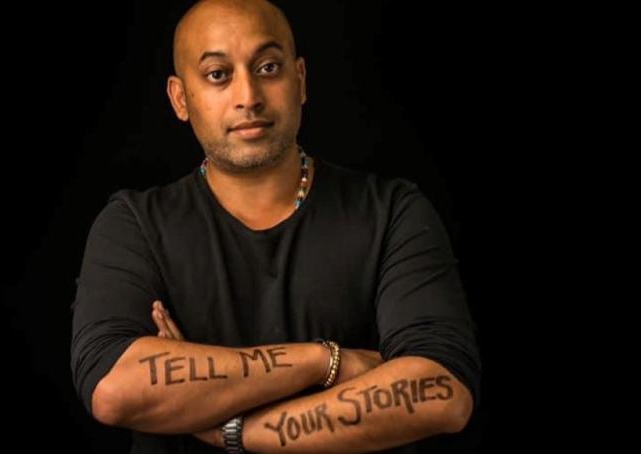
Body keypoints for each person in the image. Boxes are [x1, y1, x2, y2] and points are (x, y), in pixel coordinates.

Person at [70, 0, 481, 452]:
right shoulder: (134, 224)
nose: (248, 96)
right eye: (218, 75)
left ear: (300, 80)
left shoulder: (391, 212)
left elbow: (443, 393)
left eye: (268, 67)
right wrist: (326, 361)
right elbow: (114, 389)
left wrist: (232, 431)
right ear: (180, 98)